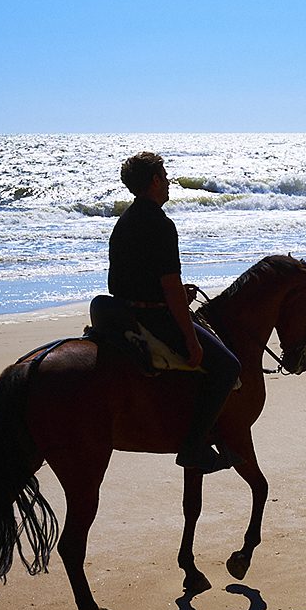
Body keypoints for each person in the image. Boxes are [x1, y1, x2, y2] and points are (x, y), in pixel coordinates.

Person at [95, 152, 239, 473]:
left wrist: (171, 293)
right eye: (165, 174)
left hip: (124, 311)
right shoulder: (162, 224)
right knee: (228, 366)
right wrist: (191, 340)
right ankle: (193, 446)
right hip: (155, 317)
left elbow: (125, 278)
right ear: (156, 181)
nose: (170, 180)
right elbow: (171, 287)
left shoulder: (124, 221)